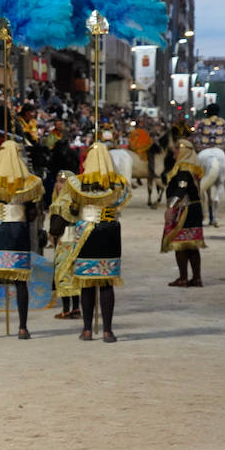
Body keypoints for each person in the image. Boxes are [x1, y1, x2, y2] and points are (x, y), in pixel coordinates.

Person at [0, 140, 42, 339]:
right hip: (20, 231)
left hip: (0, 230)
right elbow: (33, 210)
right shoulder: (29, 183)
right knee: (20, 280)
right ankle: (22, 328)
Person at [66, 141, 130, 342]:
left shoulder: (78, 183)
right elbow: (120, 203)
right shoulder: (119, 183)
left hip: (87, 232)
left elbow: (73, 210)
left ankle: (86, 329)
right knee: (105, 282)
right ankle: (107, 331)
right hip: (109, 232)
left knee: (86, 282)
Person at [162, 139, 205, 287]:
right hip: (194, 208)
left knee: (180, 244)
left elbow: (181, 189)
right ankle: (197, 278)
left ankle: (183, 278)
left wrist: (170, 207)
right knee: (191, 245)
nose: (173, 151)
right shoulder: (192, 167)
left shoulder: (184, 169)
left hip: (185, 210)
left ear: (184, 151)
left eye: (176, 148)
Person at [47, 169, 82, 320]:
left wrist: (52, 235)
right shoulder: (78, 201)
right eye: (58, 181)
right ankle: (76, 308)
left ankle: (66, 309)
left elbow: (55, 228)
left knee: (63, 274)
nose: (58, 185)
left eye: (62, 182)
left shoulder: (61, 203)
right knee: (73, 274)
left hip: (64, 242)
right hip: (77, 241)